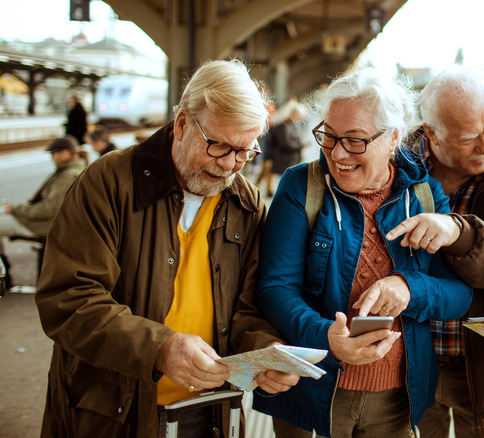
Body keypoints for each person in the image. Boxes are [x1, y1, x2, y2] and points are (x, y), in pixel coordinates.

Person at [34, 60, 300, 437]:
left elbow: (247, 307)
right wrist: (160, 348)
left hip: (208, 409)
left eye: (244, 152)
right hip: (110, 410)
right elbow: (69, 299)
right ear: (181, 124)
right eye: (218, 145)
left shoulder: (247, 201)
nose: (228, 166)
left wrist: (266, 351)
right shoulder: (108, 183)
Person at [252, 68, 473, 437]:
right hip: (311, 392)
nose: (337, 153)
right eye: (329, 135)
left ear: (393, 139)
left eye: (355, 140)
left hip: (395, 401)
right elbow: (275, 290)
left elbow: (459, 294)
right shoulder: (300, 186)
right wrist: (327, 338)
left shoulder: (424, 196)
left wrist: (409, 288)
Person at [385, 65, 484, 437]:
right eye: (470, 137)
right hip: (408, 360)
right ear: (432, 133)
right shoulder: (391, 164)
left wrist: (457, 229)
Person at [3, 135, 87, 236]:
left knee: (2, 224)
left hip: (51, 225)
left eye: (53, 154)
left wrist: (15, 209)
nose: (52, 158)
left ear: (65, 153)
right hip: (65, 222)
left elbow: (48, 210)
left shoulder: (67, 176)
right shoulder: (79, 167)